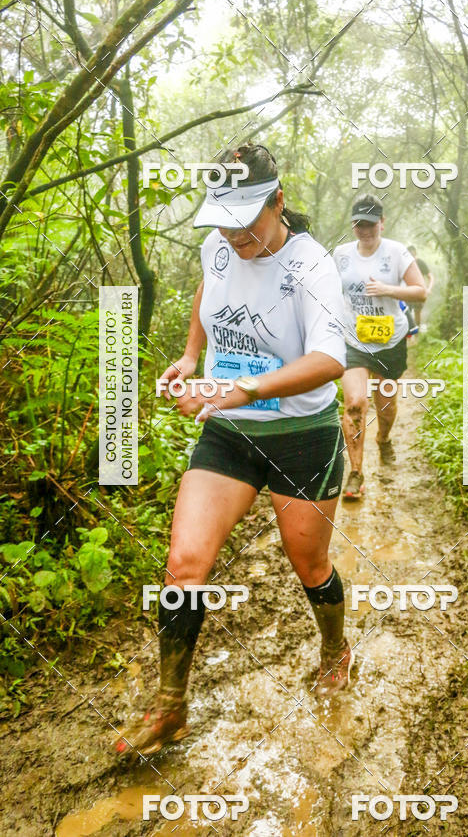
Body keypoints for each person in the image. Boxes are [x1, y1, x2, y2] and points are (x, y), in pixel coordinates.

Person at [115, 144, 352, 760]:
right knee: (183, 564)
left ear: (278, 201)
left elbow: (330, 360)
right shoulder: (218, 244)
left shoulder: (311, 265)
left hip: (302, 439)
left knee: (310, 565)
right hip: (229, 432)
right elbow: (207, 289)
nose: (234, 231)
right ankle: (170, 706)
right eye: (223, 216)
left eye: (247, 215)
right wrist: (192, 356)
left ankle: (334, 649)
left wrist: (241, 386)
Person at [333, 195, 427, 500]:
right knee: (356, 403)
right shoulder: (342, 255)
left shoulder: (397, 252)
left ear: (382, 223)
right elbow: (329, 291)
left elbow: (420, 293)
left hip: (390, 342)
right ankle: (356, 473)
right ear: (353, 225)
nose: (365, 230)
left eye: (371, 224)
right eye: (359, 224)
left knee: (385, 408)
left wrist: (388, 289)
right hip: (354, 341)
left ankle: (384, 439)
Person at [407, 244, 434, 329]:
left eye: (413, 253)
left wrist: (429, 288)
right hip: (406, 291)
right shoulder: (405, 262)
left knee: (417, 312)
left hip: (419, 290)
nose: (411, 255)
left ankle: (416, 333)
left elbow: (431, 277)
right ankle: (408, 334)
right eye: (409, 253)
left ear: (415, 253)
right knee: (406, 311)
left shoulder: (420, 263)